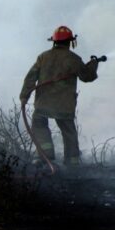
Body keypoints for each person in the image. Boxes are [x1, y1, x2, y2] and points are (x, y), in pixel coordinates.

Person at [19, 26, 101, 166]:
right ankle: (72, 163)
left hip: (43, 103)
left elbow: (30, 78)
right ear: (70, 42)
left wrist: (24, 96)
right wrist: (94, 64)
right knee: (69, 132)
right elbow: (87, 76)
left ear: (54, 42)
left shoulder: (43, 57)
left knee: (39, 124)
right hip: (64, 105)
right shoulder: (74, 59)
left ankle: (46, 157)